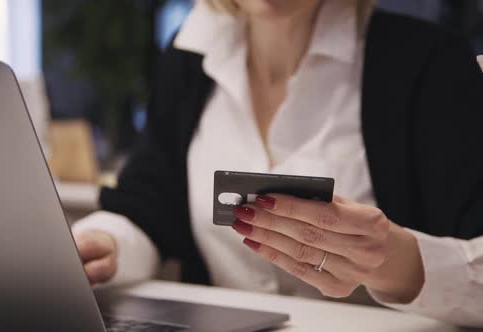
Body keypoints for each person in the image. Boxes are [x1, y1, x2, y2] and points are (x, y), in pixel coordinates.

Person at [72, 0, 483, 327]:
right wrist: (105, 244)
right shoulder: (190, 56)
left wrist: (400, 263)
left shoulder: (427, 60)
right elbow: (147, 208)